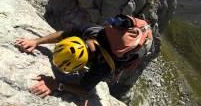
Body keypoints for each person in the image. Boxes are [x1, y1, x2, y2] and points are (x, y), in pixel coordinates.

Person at [14, 14, 154, 100]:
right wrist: (36, 42)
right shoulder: (90, 30)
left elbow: (85, 90)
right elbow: (62, 35)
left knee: (121, 66)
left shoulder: (103, 66)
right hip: (112, 38)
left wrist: (57, 85)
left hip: (126, 54)